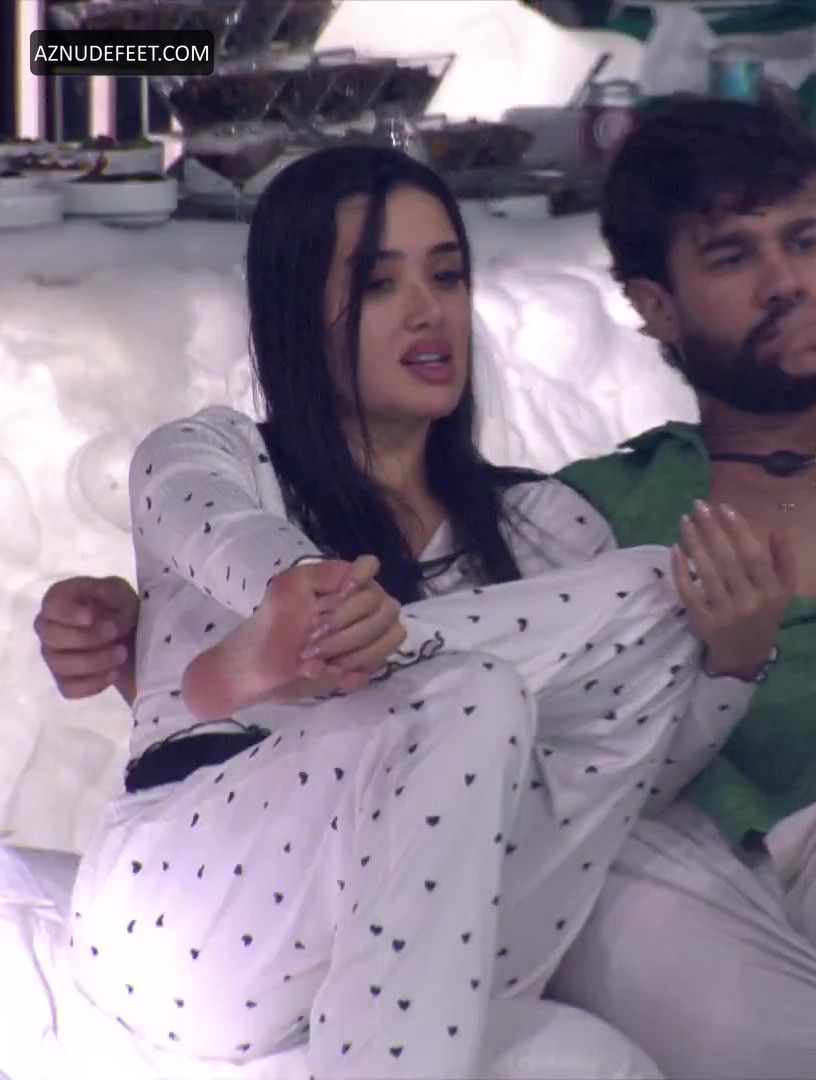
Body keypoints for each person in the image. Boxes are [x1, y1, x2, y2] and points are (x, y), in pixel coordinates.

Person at [34, 144, 788, 1078]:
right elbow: (205, 515)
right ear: (295, 311)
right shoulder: (225, 456)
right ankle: (331, 639)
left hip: (422, 934)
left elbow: (619, 774)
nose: (430, 310)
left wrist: (733, 665)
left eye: (447, 275)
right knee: (475, 691)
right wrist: (295, 589)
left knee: (631, 605)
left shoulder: (542, 523)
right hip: (188, 912)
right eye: (379, 284)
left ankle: (352, 653)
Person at [543, 96, 816, 1079]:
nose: (789, 281)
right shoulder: (599, 515)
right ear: (655, 305)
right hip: (713, 922)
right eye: (734, 257)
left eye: (806, 240)